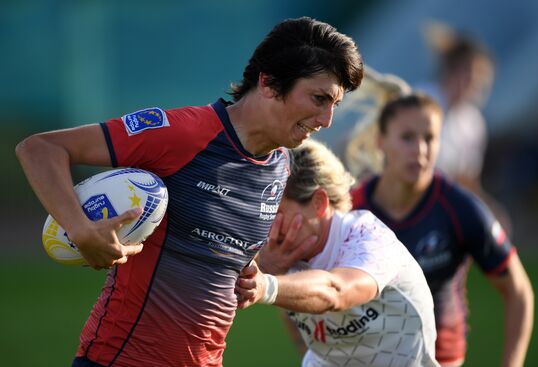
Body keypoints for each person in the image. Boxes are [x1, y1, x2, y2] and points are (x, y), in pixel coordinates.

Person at [15, 17, 364, 367]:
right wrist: (79, 228)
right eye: (319, 99)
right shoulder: (183, 134)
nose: (327, 119)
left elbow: (215, 256)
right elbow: (40, 149)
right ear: (270, 82)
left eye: (334, 104)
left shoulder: (281, 167)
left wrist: (259, 272)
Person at [350, 93, 534, 367]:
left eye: (430, 138)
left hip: (440, 359)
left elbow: (519, 291)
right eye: (407, 137)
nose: (420, 150)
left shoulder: (460, 208)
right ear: (381, 141)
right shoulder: (350, 208)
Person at [237, 139, 439, 367]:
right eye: (265, 212)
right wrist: (267, 267)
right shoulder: (278, 249)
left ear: (319, 203)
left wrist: (268, 284)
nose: (269, 228)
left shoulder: (368, 238)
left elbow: (335, 291)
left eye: (278, 211)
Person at [417, 22, 512, 234]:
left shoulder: (473, 123)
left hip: (436, 211)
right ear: (452, 71)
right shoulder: (419, 103)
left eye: (484, 80)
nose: (478, 86)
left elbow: (466, 180)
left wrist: (490, 209)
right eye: (473, 76)